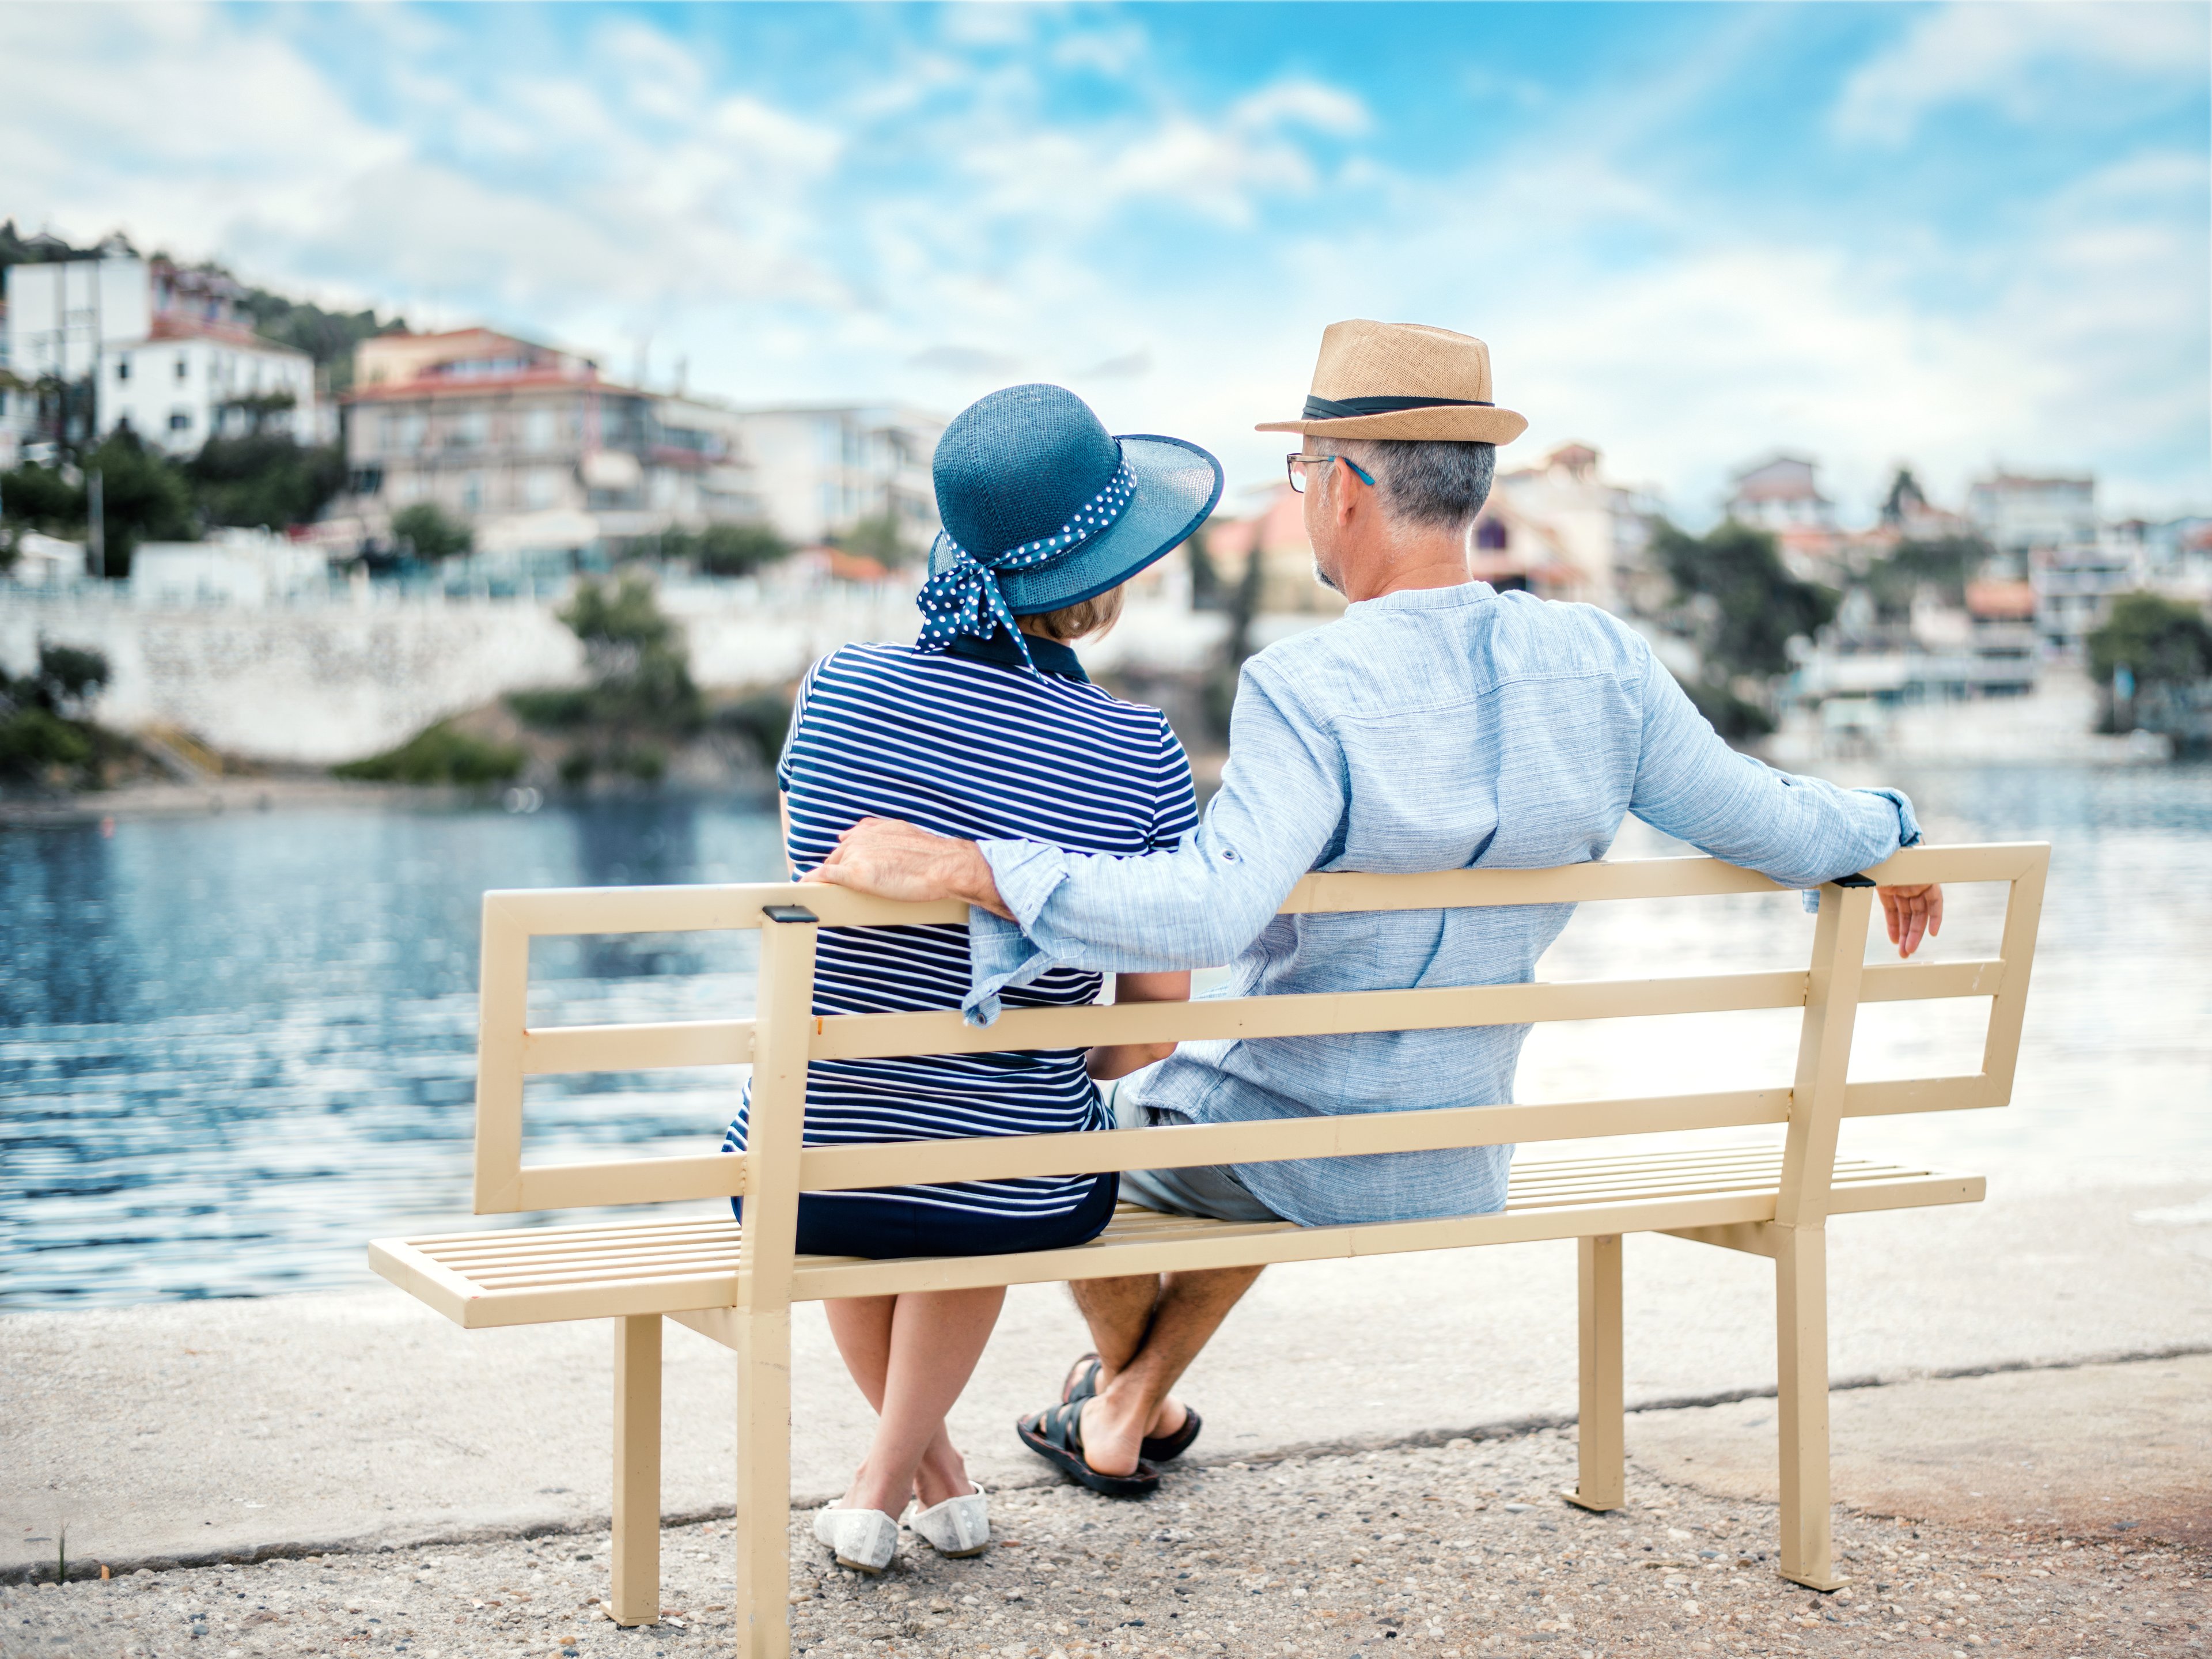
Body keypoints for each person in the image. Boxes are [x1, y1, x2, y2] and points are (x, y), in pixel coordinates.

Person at [805, 319, 1946, 1496]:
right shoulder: (1604, 663)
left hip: (1298, 1150)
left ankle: (1119, 1393)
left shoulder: (1307, 686)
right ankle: (1130, 1403)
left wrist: (979, 870)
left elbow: (1207, 911)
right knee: (1232, 1109)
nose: (1302, 500)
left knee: (1089, 1133)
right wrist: (1892, 830)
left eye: (1303, 474)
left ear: (1346, 486)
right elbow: (1775, 822)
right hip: (1464, 1148)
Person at [722, 382, 1223, 1570]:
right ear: (1103, 577)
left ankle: (910, 1476)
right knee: (990, 1145)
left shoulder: (835, 690)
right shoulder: (1141, 756)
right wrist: (1048, 1053)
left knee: (868, 1136)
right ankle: (897, 1475)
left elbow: (821, 915)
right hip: (1009, 1187)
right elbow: (1154, 1029)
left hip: (801, 1168)